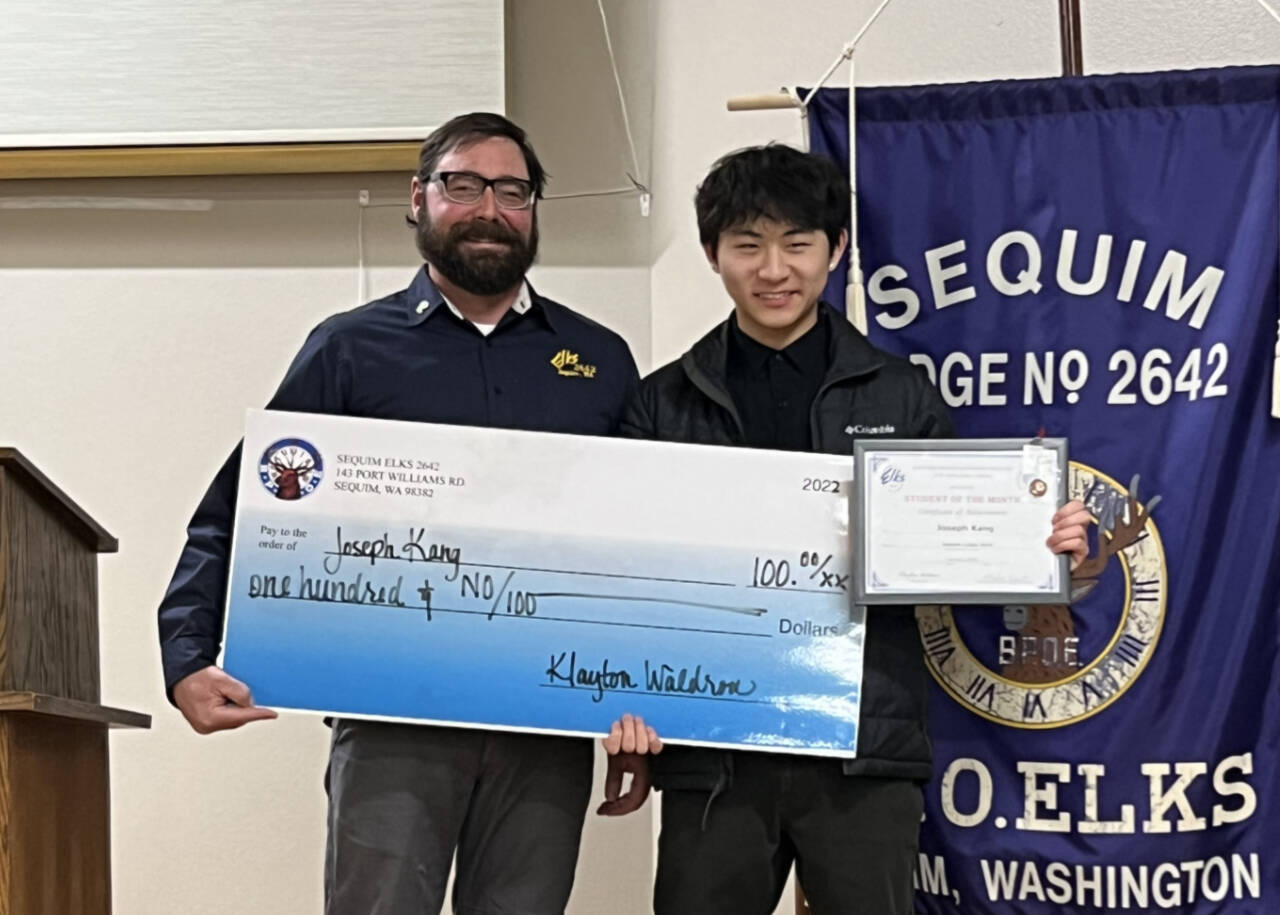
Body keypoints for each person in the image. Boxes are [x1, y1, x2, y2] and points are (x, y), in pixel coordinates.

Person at [157, 112, 640, 915]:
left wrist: (647, 708)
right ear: (418, 199)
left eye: (512, 190)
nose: (489, 206)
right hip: (392, 724)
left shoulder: (600, 361)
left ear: (533, 209)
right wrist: (185, 654)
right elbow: (240, 507)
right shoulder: (349, 350)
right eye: (462, 184)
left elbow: (647, 544)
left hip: (546, 727)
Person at [596, 144, 1091, 915]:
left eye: (797, 244)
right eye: (747, 246)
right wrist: (620, 704)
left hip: (863, 747)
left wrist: (1041, 544)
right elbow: (623, 577)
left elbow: (956, 547)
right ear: (710, 254)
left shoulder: (903, 394)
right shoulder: (663, 404)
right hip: (713, 751)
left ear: (837, 250)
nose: (773, 269)